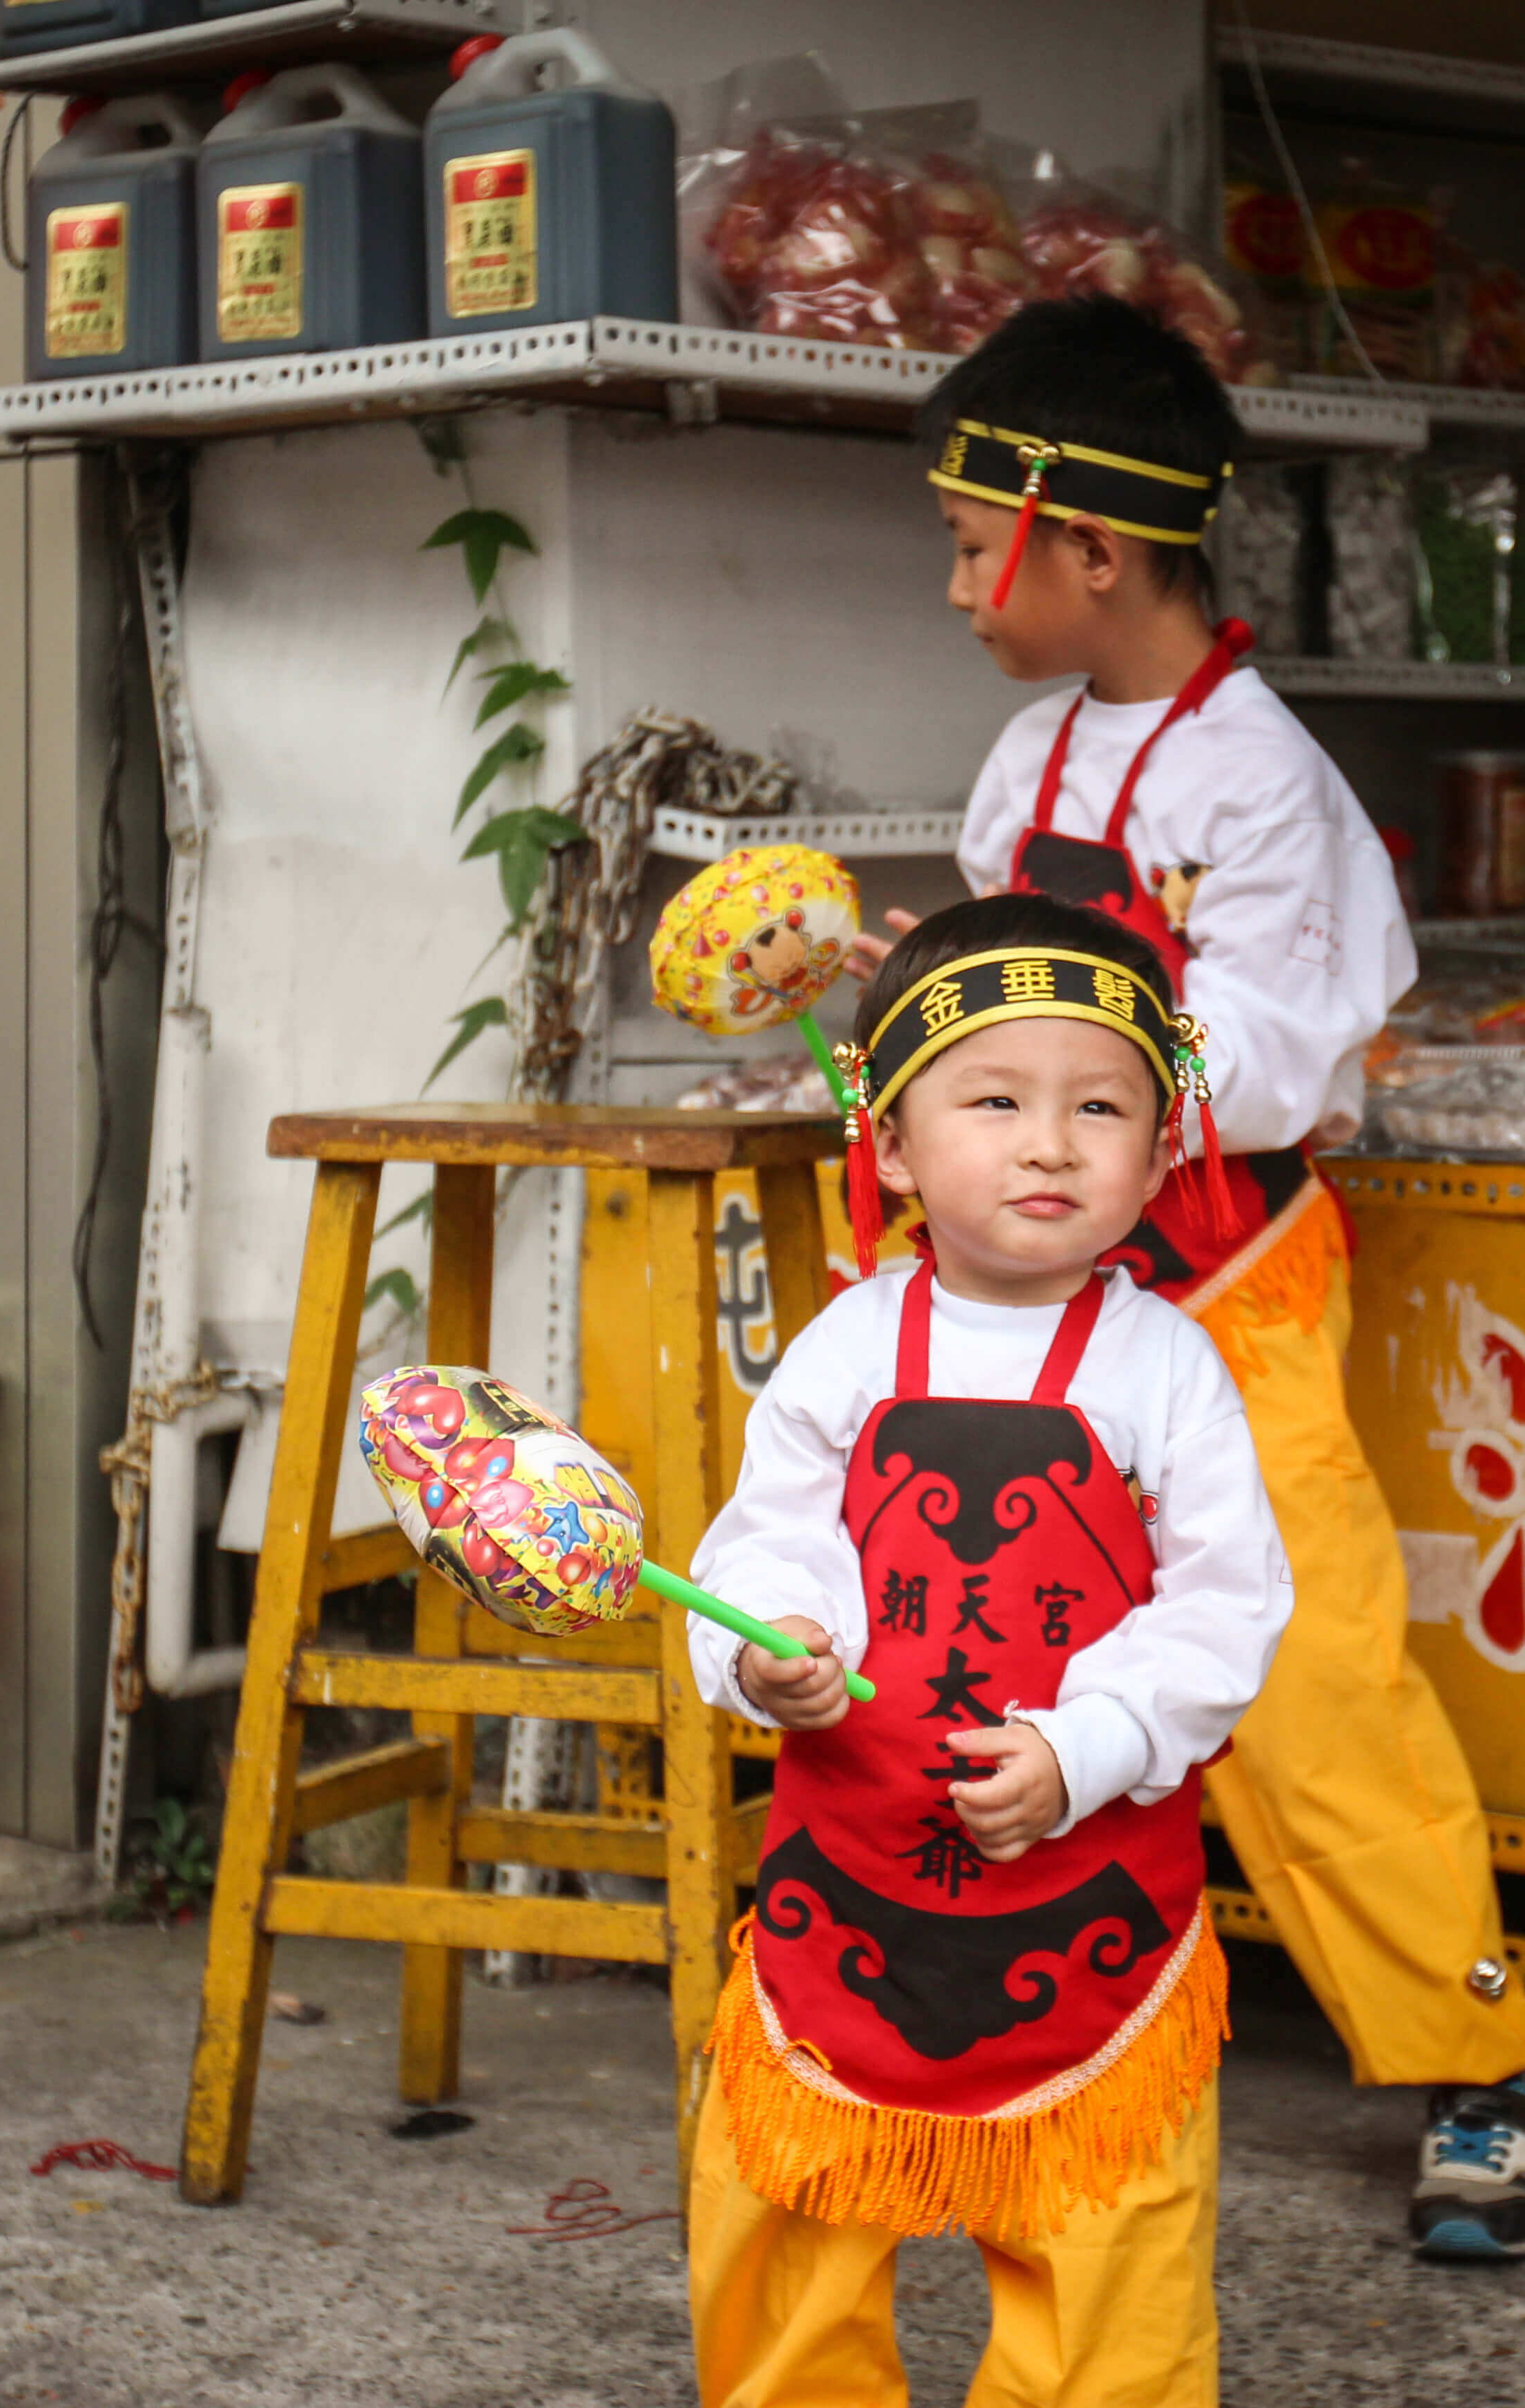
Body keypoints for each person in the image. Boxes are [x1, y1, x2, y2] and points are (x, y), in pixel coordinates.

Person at [848, 295, 1525, 2261]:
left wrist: (1053, 1064)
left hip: (1227, 1308)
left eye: (978, 544)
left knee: (1309, 1690)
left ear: (1093, 546)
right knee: (995, 1656)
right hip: (1021, 1316)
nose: (958, 583)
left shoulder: (1261, 786)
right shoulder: (1029, 748)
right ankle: (1001, 2015)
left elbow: (1278, 1055)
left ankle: (1484, 2052)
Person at [686, 890, 1293, 2408]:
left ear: (1164, 1154)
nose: (1049, 1144)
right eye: (996, 1100)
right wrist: (776, 1650)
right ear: (891, 1143)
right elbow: (761, 1544)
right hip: (849, 1893)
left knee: (1110, 2275)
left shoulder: (1170, 1368)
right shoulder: (844, 1345)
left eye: (1102, 1108)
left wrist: (1086, 1748)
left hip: (1090, 1907)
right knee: (784, 2233)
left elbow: (1228, 1609)